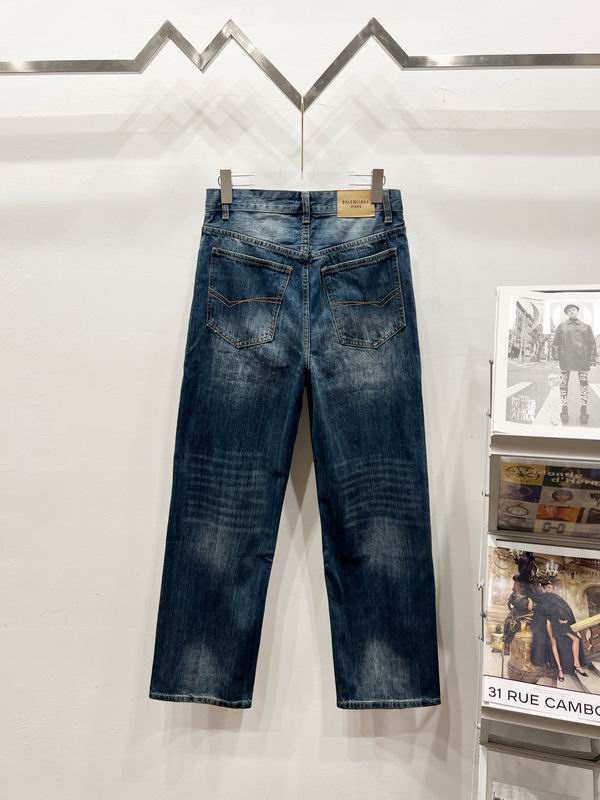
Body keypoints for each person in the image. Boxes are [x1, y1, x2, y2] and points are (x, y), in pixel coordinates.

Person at [552, 303, 597, 425]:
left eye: (573, 309)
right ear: (567, 314)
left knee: (584, 384)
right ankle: (564, 409)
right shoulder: (561, 326)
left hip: (582, 359)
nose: (571, 311)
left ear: (577, 311)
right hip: (565, 358)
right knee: (563, 383)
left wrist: (591, 358)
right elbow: (556, 342)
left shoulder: (586, 327)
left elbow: (592, 343)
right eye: (569, 311)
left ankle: (583, 410)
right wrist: (556, 357)